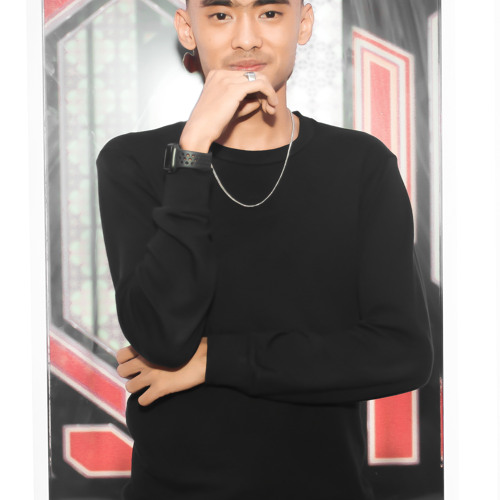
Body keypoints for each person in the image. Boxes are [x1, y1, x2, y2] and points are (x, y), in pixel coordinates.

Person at [96, 0, 434, 498]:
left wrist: (214, 361)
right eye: (220, 15)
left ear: (305, 22)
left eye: (270, 13)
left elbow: (402, 353)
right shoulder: (133, 162)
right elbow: (162, 339)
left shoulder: (360, 165)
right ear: (187, 29)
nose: (247, 38)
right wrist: (193, 151)